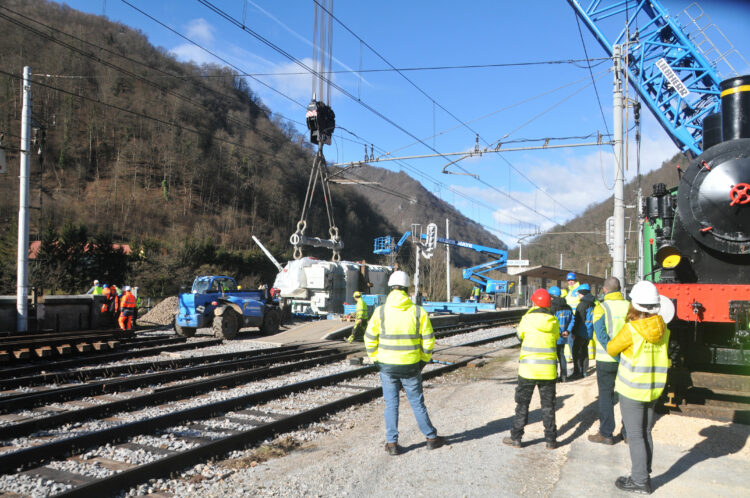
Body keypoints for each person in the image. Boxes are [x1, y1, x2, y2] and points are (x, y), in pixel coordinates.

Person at [364, 270, 444, 456]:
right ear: (408, 289)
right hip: (411, 366)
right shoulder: (418, 312)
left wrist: (377, 359)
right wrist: (423, 360)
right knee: (417, 403)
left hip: (387, 366)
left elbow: (369, 339)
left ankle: (392, 444)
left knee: (391, 405)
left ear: (391, 288)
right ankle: (431, 438)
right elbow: (428, 341)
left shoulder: (380, 311)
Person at [606, 281, 670, 494]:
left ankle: (640, 481)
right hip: (653, 388)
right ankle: (644, 470)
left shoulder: (631, 329)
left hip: (632, 389)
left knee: (634, 435)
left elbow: (611, 348)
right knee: (646, 431)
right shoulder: (663, 329)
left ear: (636, 304)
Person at [504, 288, 559, 450]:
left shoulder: (526, 319)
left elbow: (519, 336)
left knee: (522, 404)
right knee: (548, 406)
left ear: (534, 302)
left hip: (528, 370)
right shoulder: (553, 321)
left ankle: (516, 438)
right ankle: (551, 440)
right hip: (548, 371)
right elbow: (556, 337)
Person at [589, 277, 630, 445]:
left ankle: (606, 433)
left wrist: (613, 353)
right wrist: (621, 355)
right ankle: (628, 433)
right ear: (619, 289)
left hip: (606, 360)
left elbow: (601, 335)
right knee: (627, 395)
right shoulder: (630, 307)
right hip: (627, 359)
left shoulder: (601, 308)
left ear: (605, 290)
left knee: (605, 396)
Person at [548, 286, 574, 383]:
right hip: (564, 336)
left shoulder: (552, 308)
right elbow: (572, 320)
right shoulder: (568, 307)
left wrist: (559, 332)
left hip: (555, 336)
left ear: (551, 297)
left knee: (554, 356)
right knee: (561, 355)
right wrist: (567, 331)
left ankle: (554, 376)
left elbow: (552, 322)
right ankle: (564, 376)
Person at [571, 283, 595, 379]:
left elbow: (578, 320)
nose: (578, 295)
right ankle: (584, 370)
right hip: (589, 331)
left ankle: (577, 371)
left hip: (581, 331)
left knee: (576, 351)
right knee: (584, 350)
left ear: (582, 293)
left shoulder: (582, 305)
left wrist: (573, 332)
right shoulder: (593, 303)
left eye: (579, 293)